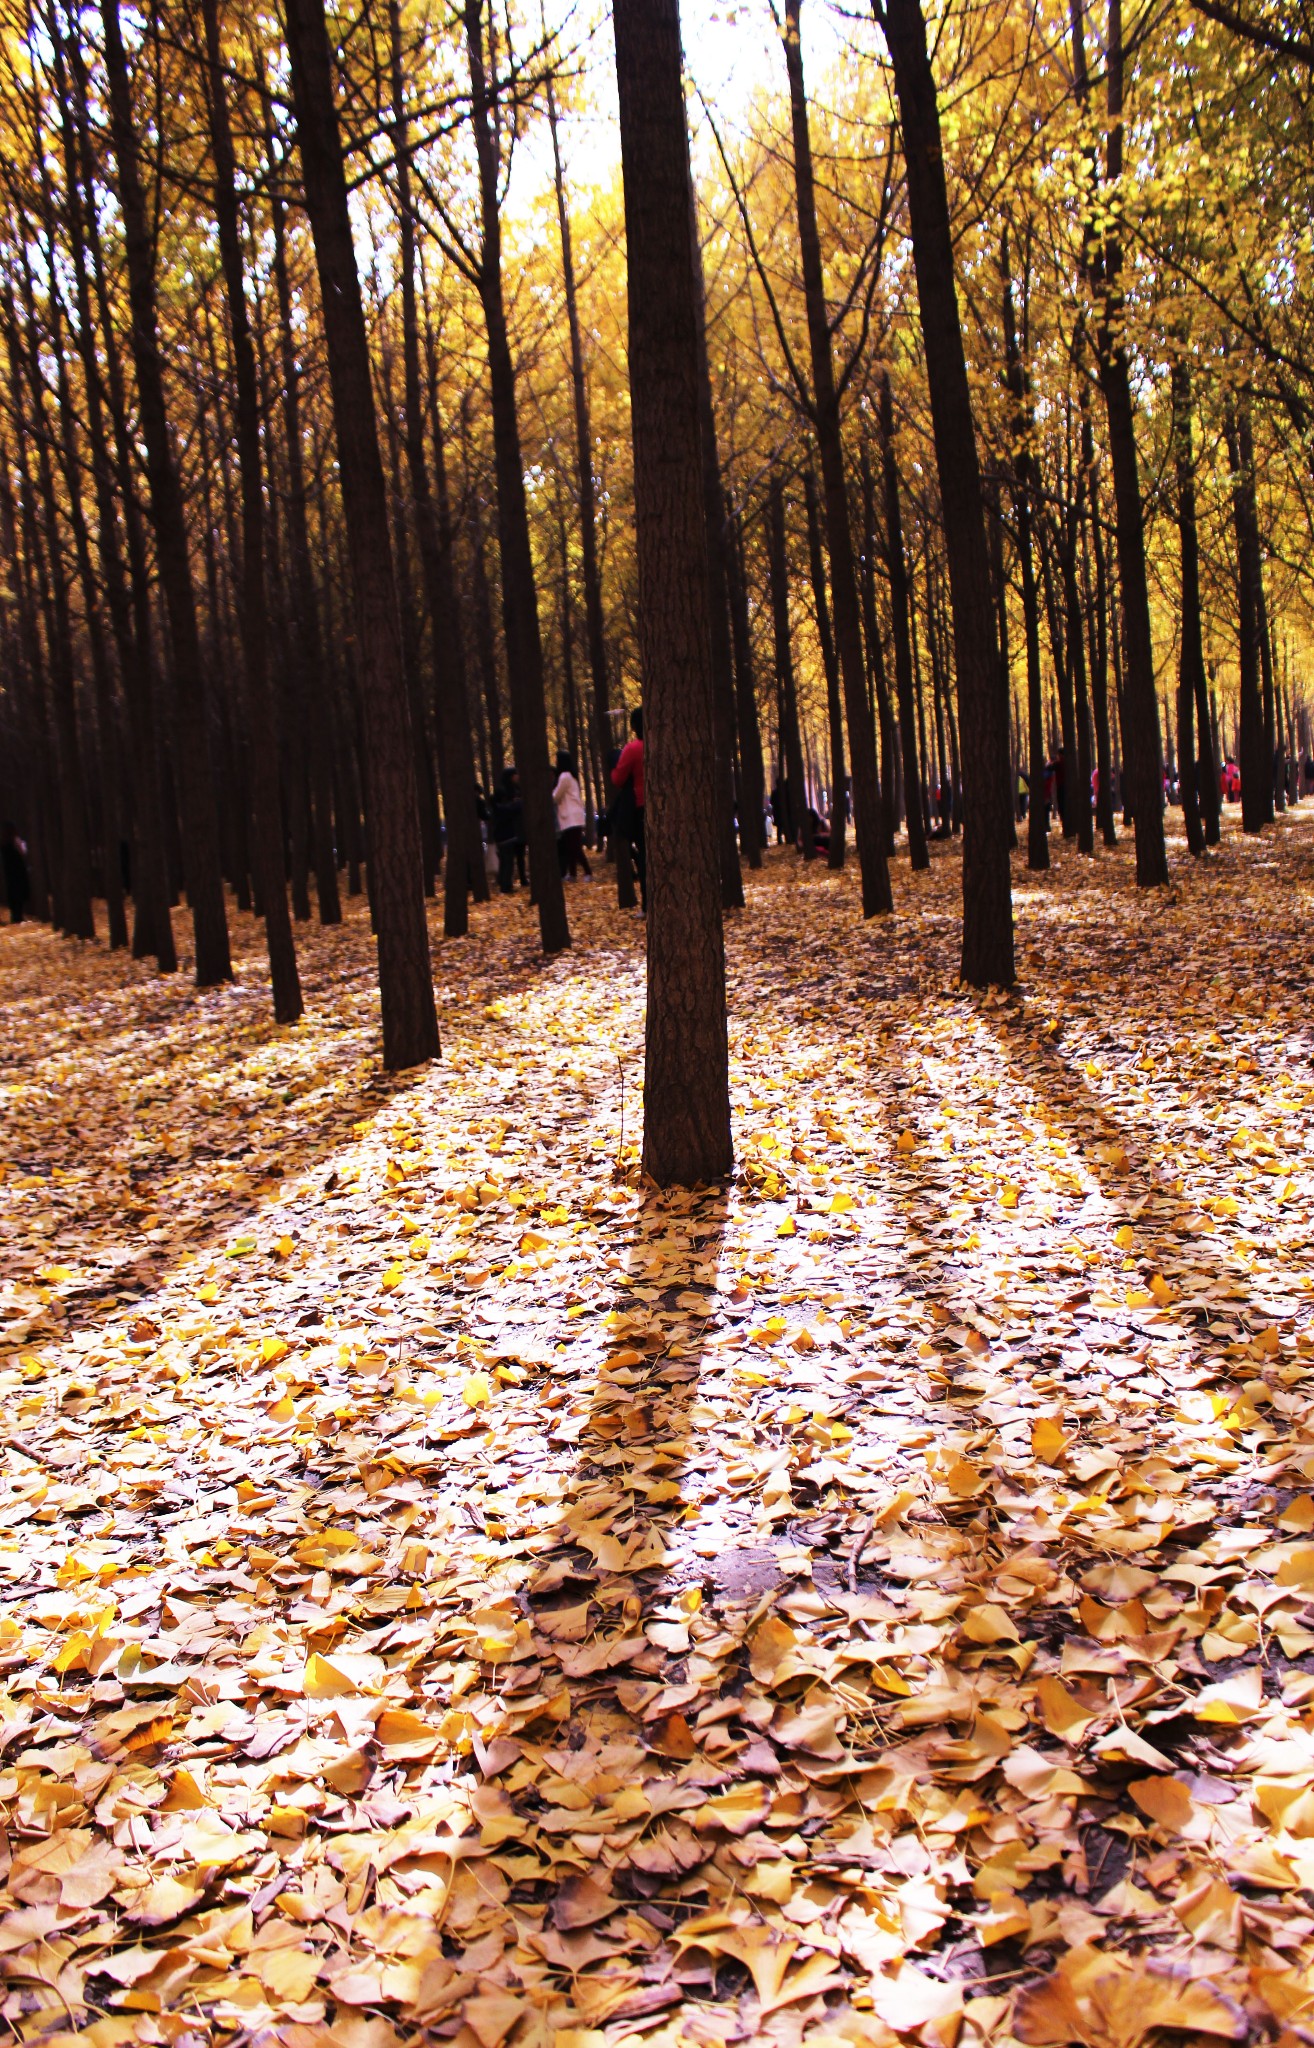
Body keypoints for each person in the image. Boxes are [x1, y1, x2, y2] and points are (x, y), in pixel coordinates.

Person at [610, 707, 646, 908]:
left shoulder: (633, 749)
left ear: (634, 726)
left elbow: (618, 778)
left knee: (644, 856)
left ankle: (647, 903)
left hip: (640, 807)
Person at [553, 750, 591, 879]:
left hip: (570, 816)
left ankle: (587, 872)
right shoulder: (571, 776)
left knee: (574, 847)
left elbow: (556, 796)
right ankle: (573, 873)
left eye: (557, 760)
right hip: (573, 816)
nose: (555, 762)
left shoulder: (564, 776)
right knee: (571, 846)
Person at [490, 767, 525, 895]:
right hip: (506, 833)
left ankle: (505, 883)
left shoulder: (513, 792)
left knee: (507, 860)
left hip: (507, 833)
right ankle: (505, 886)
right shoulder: (503, 797)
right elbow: (507, 810)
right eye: (515, 774)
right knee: (507, 860)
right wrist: (517, 804)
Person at [2, 823, 29, 924]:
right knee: (17, 895)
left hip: (11, 873)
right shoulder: (12, 844)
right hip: (16, 872)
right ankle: (17, 916)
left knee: (15, 895)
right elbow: (22, 854)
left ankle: (16, 915)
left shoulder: (5, 844)